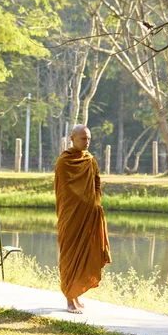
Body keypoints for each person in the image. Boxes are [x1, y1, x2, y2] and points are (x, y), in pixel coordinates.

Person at [54, 124, 111, 314]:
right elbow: (64, 191)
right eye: (83, 138)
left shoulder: (90, 160)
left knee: (85, 254)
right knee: (70, 255)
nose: (86, 142)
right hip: (70, 217)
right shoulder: (64, 161)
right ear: (72, 138)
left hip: (88, 215)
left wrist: (95, 205)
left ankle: (76, 294)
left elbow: (96, 184)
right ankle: (69, 299)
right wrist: (82, 202)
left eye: (88, 139)